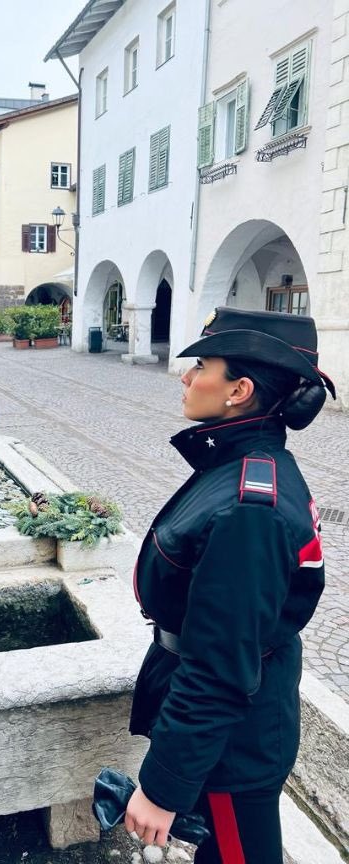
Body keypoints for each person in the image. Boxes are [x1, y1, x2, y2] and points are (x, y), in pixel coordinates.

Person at [124, 307, 335, 862]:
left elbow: (219, 667)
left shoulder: (248, 506)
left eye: (201, 366)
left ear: (239, 391)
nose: (185, 376)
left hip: (232, 747)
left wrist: (163, 787)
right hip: (234, 730)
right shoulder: (244, 464)